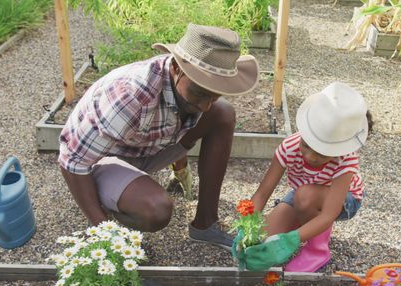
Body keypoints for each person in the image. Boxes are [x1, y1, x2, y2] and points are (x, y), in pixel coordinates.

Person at [58, 24, 259, 250]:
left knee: (222, 113)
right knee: (156, 209)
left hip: (145, 147)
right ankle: (112, 204)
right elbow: (72, 161)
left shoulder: (189, 92)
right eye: (200, 93)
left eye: (213, 95)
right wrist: (106, 237)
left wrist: (180, 166)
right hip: (103, 160)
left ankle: (205, 224)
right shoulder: (131, 97)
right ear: (175, 67)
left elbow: (187, 113)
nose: (205, 105)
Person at [232, 82, 372, 271]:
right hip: (302, 194)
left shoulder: (345, 160)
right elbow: (263, 193)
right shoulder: (289, 146)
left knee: (305, 198)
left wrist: (292, 239)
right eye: (306, 146)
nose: (310, 157)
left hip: (344, 200)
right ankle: (304, 220)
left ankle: (317, 250)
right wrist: (245, 226)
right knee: (264, 240)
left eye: (321, 153)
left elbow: (328, 215)